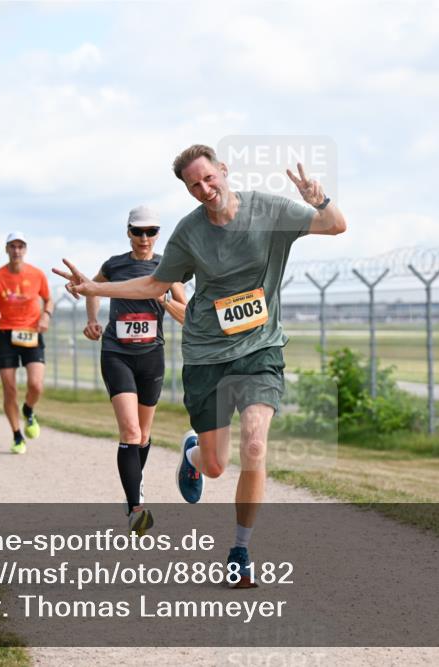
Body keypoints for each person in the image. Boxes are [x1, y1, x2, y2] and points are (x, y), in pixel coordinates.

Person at [55, 144, 346, 586]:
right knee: (215, 466)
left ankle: (240, 550)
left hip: (259, 349)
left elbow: (335, 225)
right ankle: (193, 453)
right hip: (207, 355)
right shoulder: (189, 234)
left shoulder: (269, 210)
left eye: (209, 178)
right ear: (188, 190)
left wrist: (317, 199)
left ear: (223, 171)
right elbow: (155, 284)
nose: (205, 189)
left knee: (254, 445)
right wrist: (97, 287)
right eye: (195, 185)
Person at [81, 206, 188, 535]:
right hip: (117, 353)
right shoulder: (114, 265)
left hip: (151, 356)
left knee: (142, 435)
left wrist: (165, 301)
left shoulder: (168, 268)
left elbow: (188, 316)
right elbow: (91, 288)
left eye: (151, 231)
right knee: (129, 433)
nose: (144, 238)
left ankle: (134, 486)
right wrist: (93, 320)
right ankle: (135, 508)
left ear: (158, 234)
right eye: (137, 231)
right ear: (128, 232)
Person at [0, 232, 53, 454]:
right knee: (9, 389)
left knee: (36, 384)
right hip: (5, 334)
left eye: (20, 246)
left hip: (31, 332)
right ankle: (17, 435)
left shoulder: (37, 274)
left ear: (26, 249)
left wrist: (46, 315)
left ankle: (28, 410)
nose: (16, 251)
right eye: (12, 246)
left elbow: (48, 298)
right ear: (6, 249)